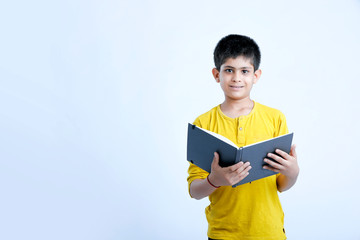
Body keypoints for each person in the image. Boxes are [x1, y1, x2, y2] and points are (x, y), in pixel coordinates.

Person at [187, 34, 299, 240]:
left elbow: (281, 185)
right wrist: (215, 180)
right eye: (229, 70)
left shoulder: (275, 118)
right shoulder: (202, 124)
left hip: (269, 231)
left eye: (245, 71)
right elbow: (195, 191)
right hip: (223, 233)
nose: (237, 78)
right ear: (216, 74)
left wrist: (293, 173)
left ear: (255, 76)